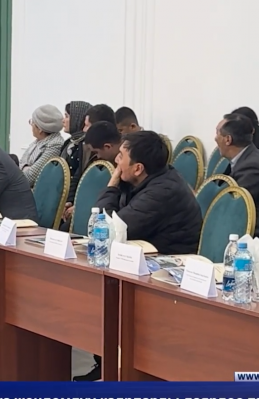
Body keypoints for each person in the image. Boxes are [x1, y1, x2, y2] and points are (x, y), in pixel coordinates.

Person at [73, 131, 203, 382]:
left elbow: (108, 228)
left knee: (104, 289)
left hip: (168, 270)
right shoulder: (145, 179)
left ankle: (117, 367)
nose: (116, 161)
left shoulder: (162, 191)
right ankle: (107, 362)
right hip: (145, 258)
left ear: (138, 168)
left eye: (121, 157)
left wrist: (112, 183)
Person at [62, 104, 116, 226]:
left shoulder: (115, 155)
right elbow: (78, 178)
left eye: (87, 125)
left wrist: (81, 206)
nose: (84, 129)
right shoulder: (85, 146)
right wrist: (70, 202)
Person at [215, 113, 259, 236]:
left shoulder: (251, 167)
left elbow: (232, 206)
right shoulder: (242, 159)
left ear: (228, 140)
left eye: (218, 133)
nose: (215, 138)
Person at [18, 105, 65, 186]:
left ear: (40, 129)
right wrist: (26, 168)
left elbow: (30, 177)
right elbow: (21, 163)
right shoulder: (38, 141)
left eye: (32, 122)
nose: (31, 125)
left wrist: (24, 169)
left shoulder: (55, 144)